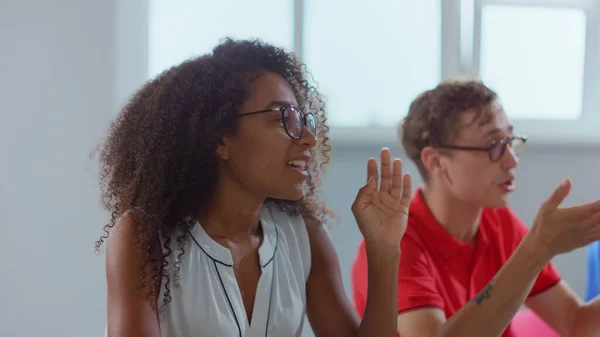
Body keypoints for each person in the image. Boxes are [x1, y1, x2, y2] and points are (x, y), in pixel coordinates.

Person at [95, 38, 412, 337]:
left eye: (304, 120)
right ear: (219, 138)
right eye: (283, 118)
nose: (308, 138)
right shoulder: (143, 237)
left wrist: (384, 250)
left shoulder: (305, 235)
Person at [351, 79, 600, 337]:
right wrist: (537, 250)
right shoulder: (394, 243)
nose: (511, 160)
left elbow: (576, 323)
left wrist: (537, 250)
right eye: (494, 145)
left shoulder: (498, 221)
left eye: (510, 141)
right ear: (436, 162)